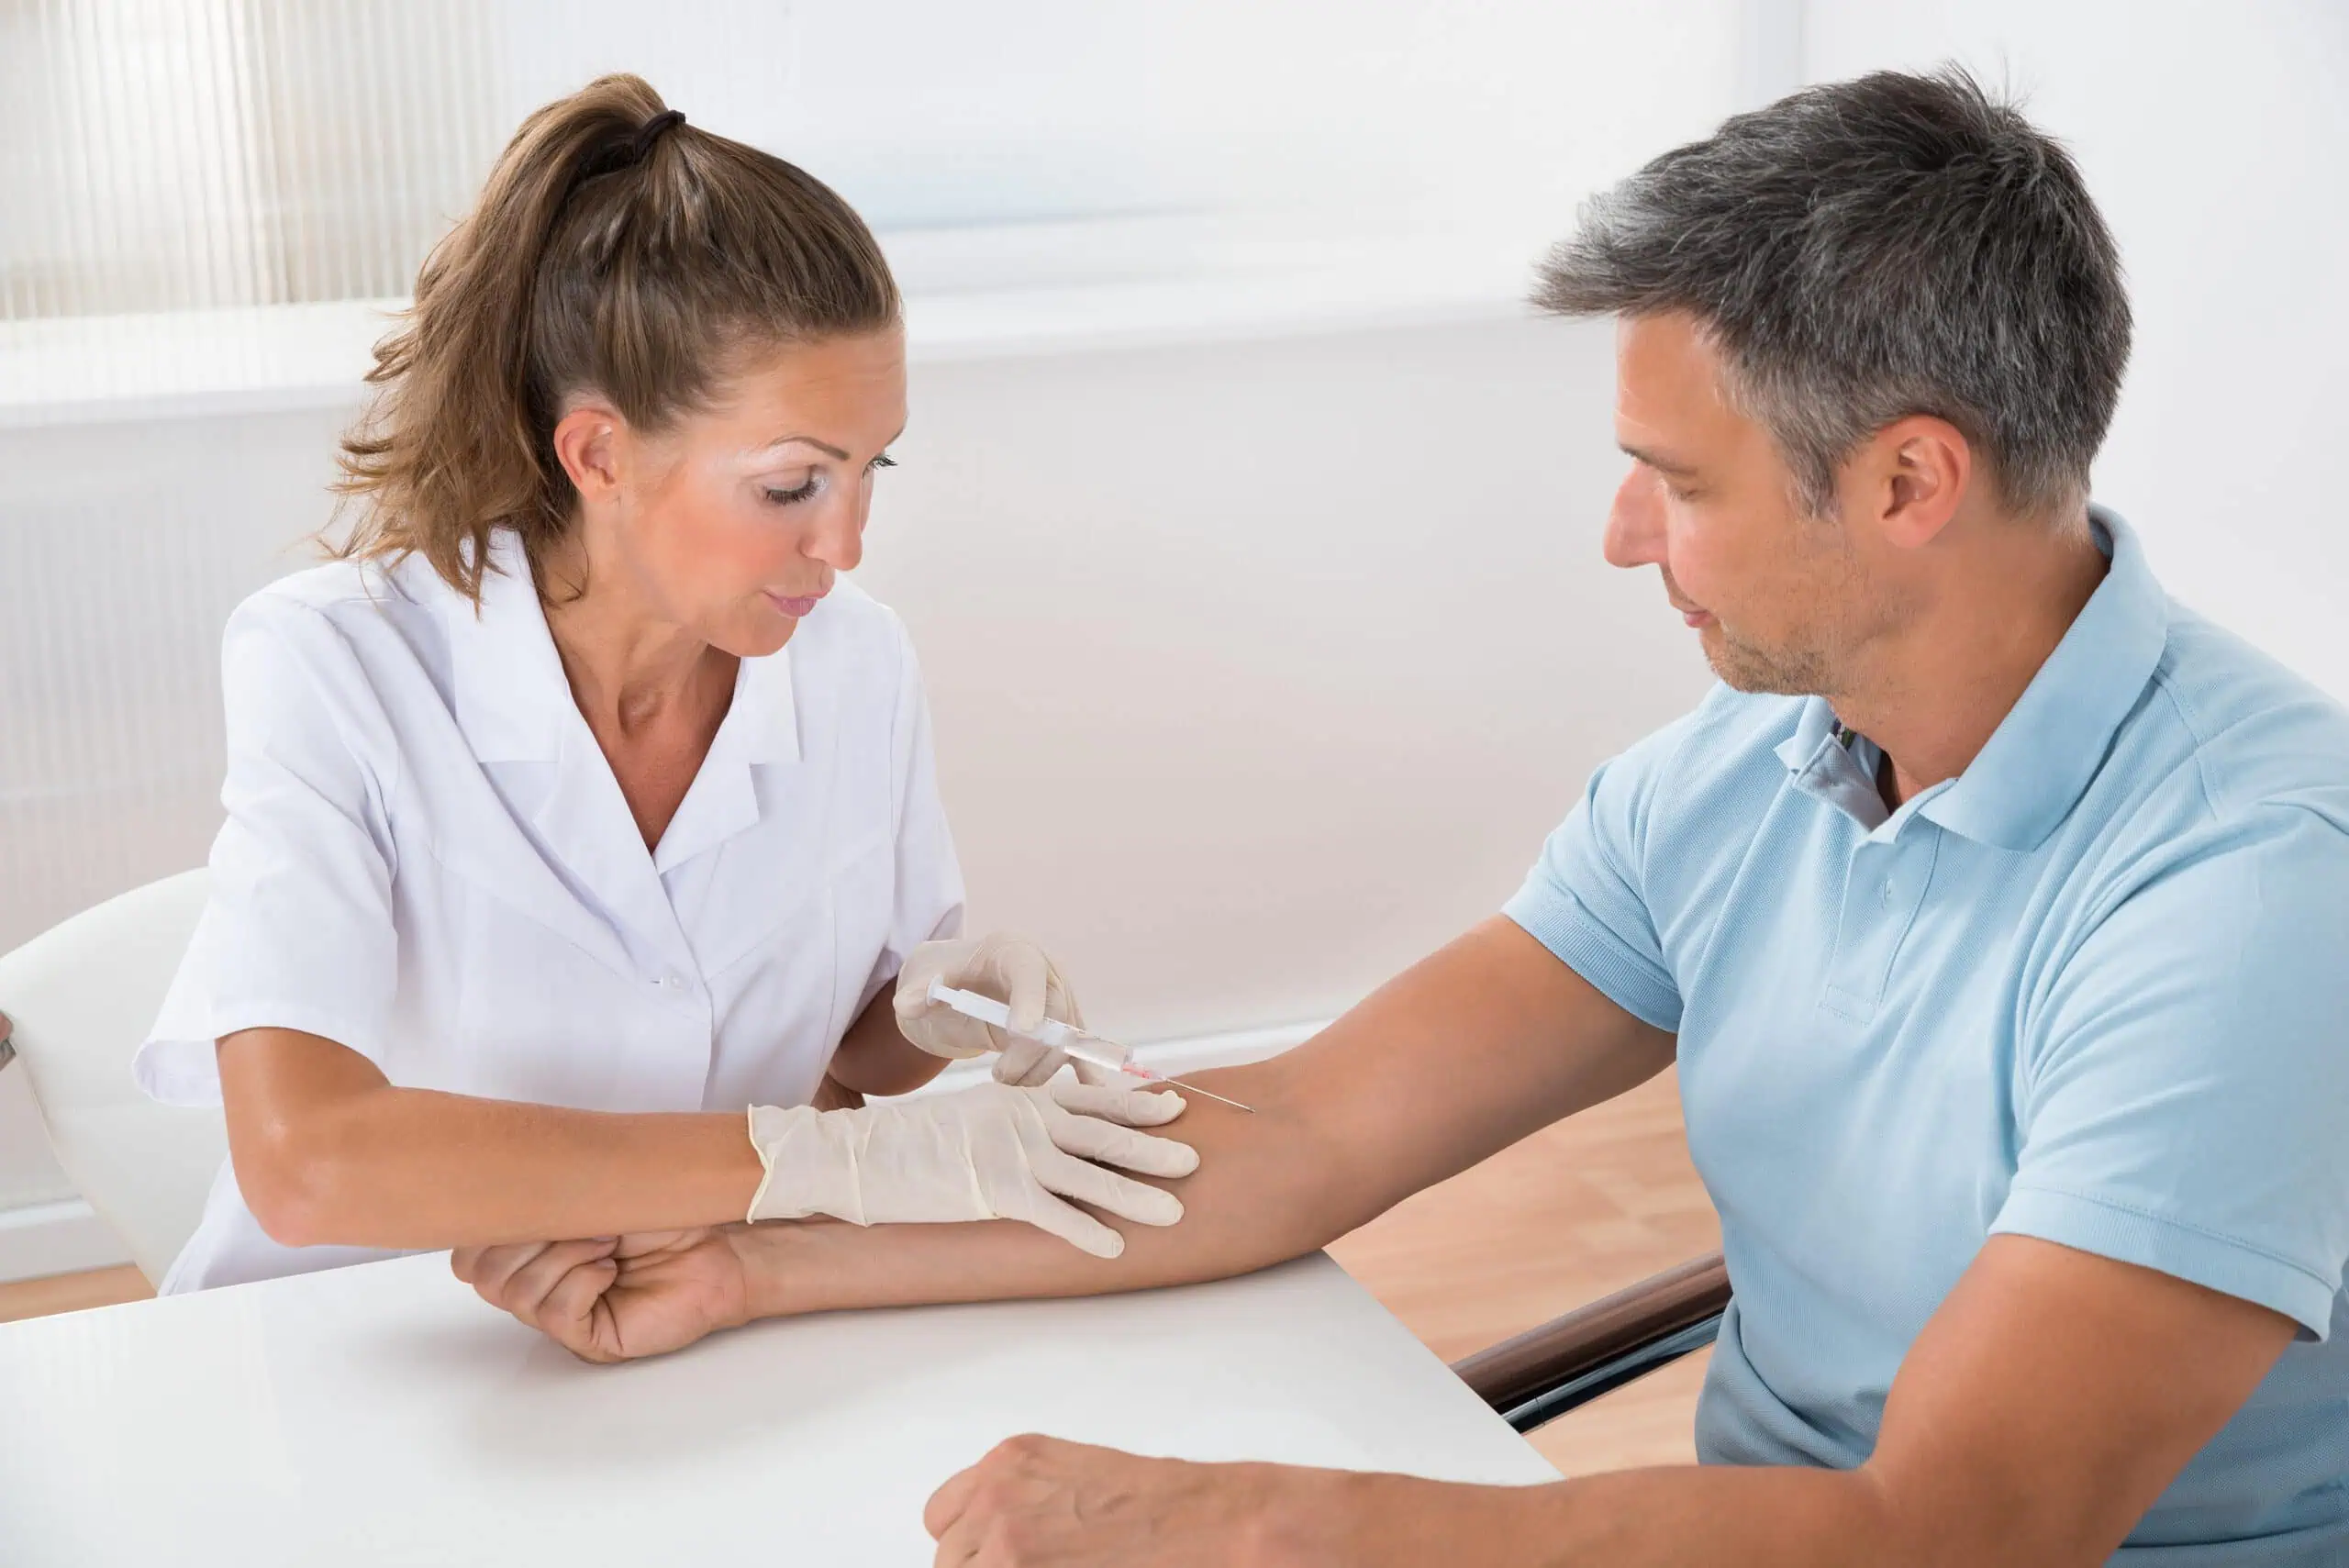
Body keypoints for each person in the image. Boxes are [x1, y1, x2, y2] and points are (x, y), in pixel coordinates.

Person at [462, 69, 2349, 1566]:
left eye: (1666, 479)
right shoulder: (1739, 778)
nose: (1618, 536)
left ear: (1908, 480)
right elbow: (1303, 1123)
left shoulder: (2250, 891)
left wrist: (1263, 1519)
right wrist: (754, 1259)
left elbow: (1947, 1528)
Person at [134, 74, 1198, 1296]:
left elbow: (852, 1050)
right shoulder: (337, 664)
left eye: (870, 470)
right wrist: (820, 1164)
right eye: (793, 486)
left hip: (681, 1316)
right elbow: (307, 1162)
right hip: (345, 1342)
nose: (845, 545)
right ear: (599, 453)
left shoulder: (854, 660)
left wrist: (929, 1014)